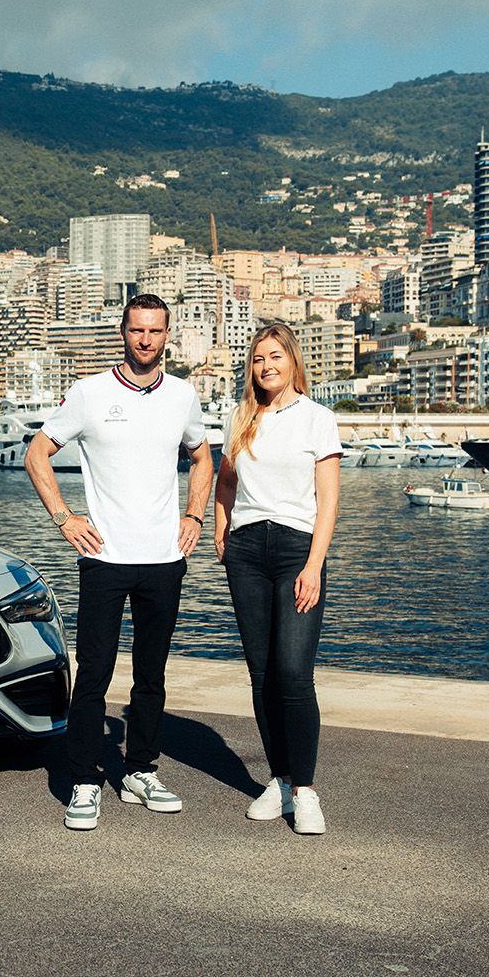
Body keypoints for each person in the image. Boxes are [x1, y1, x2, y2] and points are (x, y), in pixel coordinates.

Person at [26, 294, 213, 831]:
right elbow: (38, 452)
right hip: (105, 557)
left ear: (168, 334)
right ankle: (84, 781)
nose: (146, 340)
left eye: (155, 331)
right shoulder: (88, 394)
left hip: (164, 557)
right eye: (137, 330)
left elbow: (202, 457)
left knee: (151, 675)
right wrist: (65, 518)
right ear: (123, 333)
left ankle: (139, 770)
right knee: (94, 675)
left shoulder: (182, 395)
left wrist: (195, 516)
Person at [212, 322, 341, 834]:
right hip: (246, 552)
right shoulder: (240, 418)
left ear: (292, 361)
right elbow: (226, 481)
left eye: (275, 357)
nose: (266, 367)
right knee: (262, 674)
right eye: (258, 359)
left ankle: (305, 791)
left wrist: (313, 565)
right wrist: (222, 532)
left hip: (296, 551)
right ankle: (280, 780)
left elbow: (328, 499)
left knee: (293, 673)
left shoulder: (317, 419)